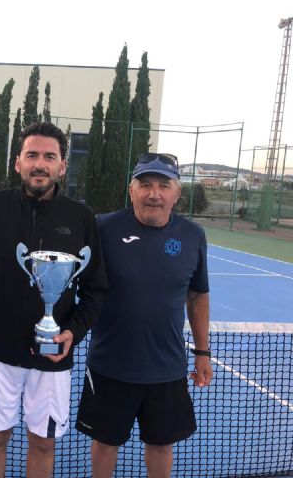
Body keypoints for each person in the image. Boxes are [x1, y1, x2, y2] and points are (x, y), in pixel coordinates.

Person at [0, 122, 108, 478]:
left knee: (44, 442)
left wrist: (72, 332)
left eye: (48, 157)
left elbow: (95, 289)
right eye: (32, 155)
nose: (39, 164)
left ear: (61, 166)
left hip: (54, 355)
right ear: (18, 163)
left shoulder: (81, 217)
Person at [76, 152, 214, 478]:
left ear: (177, 193)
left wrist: (203, 352)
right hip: (110, 365)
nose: (154, 193)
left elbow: (197, 296)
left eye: (163, 185)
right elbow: (79, 285)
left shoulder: (193, 236)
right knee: (105, 443)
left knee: (162, 446)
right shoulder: (103, 228)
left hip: (167, 369)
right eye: (146, 184)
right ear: (131, 189)